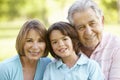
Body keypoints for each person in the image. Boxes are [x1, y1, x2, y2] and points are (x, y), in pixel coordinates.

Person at [67, 0, 120, 80]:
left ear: (102, 21)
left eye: (92, 24)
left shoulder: (116, 46)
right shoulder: (66, 50)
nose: (88, 32)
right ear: (73, 30)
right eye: (81, 27)